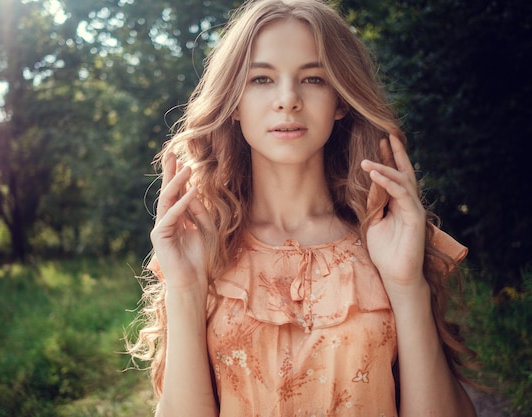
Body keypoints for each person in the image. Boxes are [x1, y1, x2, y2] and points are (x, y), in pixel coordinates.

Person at [128, 0, 479, 415]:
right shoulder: (199, 246)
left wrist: (406, 287)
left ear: (341, 99)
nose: (288, 99)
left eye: (313, 78)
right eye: (261, 79)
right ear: (233, 102)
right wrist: (186, 291)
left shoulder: (392, 237)